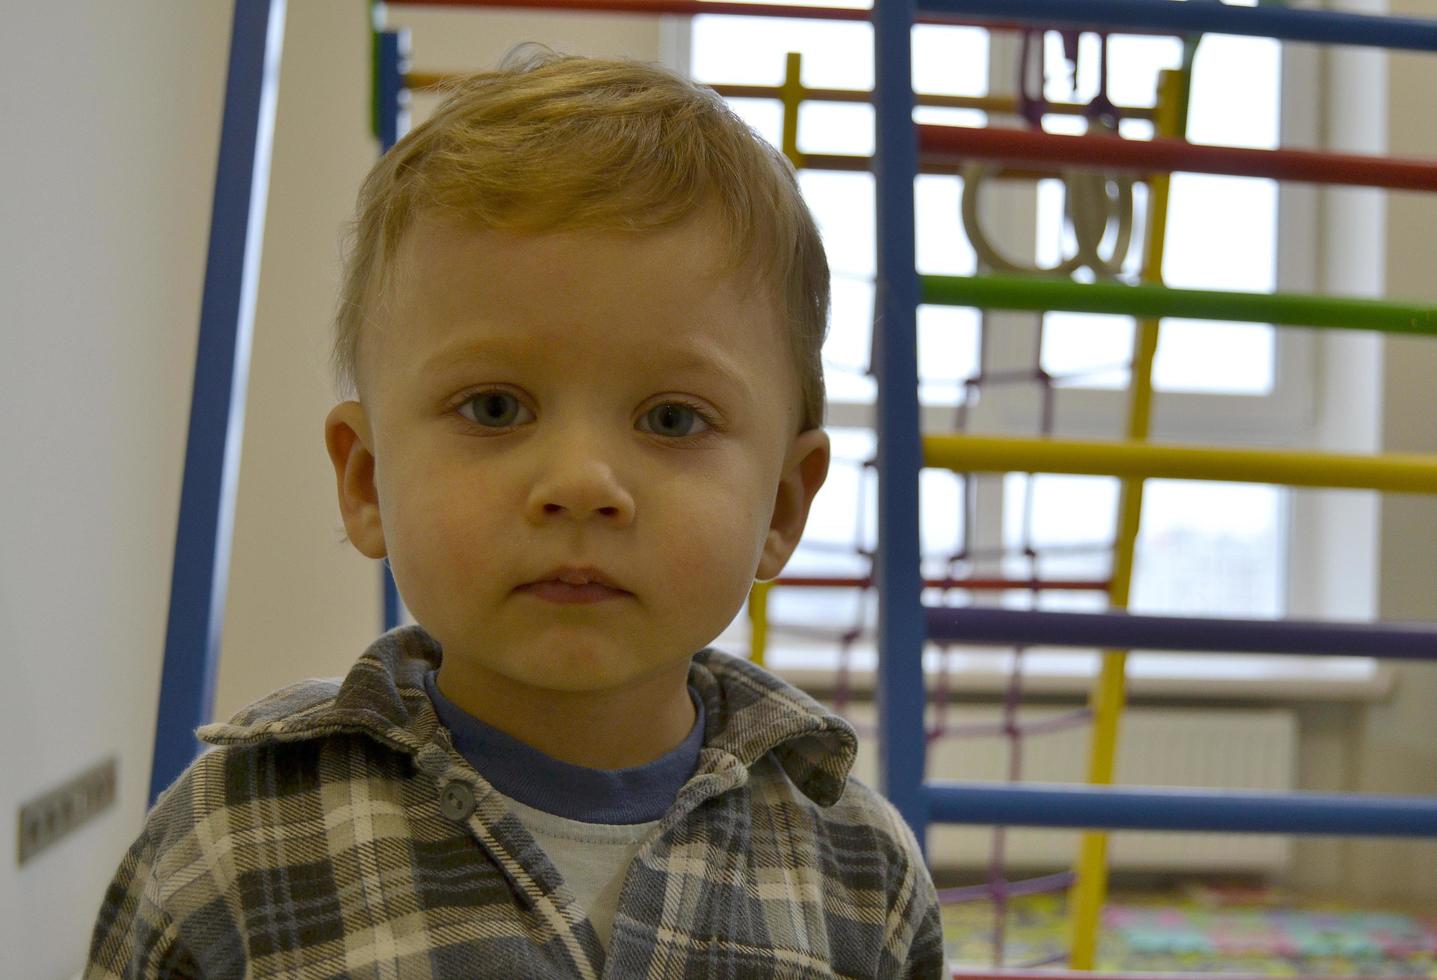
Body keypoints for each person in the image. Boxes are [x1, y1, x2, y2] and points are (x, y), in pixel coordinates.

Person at [85, 46, 945, 979]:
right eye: (494, 408)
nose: (579, 482)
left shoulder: (863, 873)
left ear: (779, 505)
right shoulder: (229, 844)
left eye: (671, 418)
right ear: (369, 481)